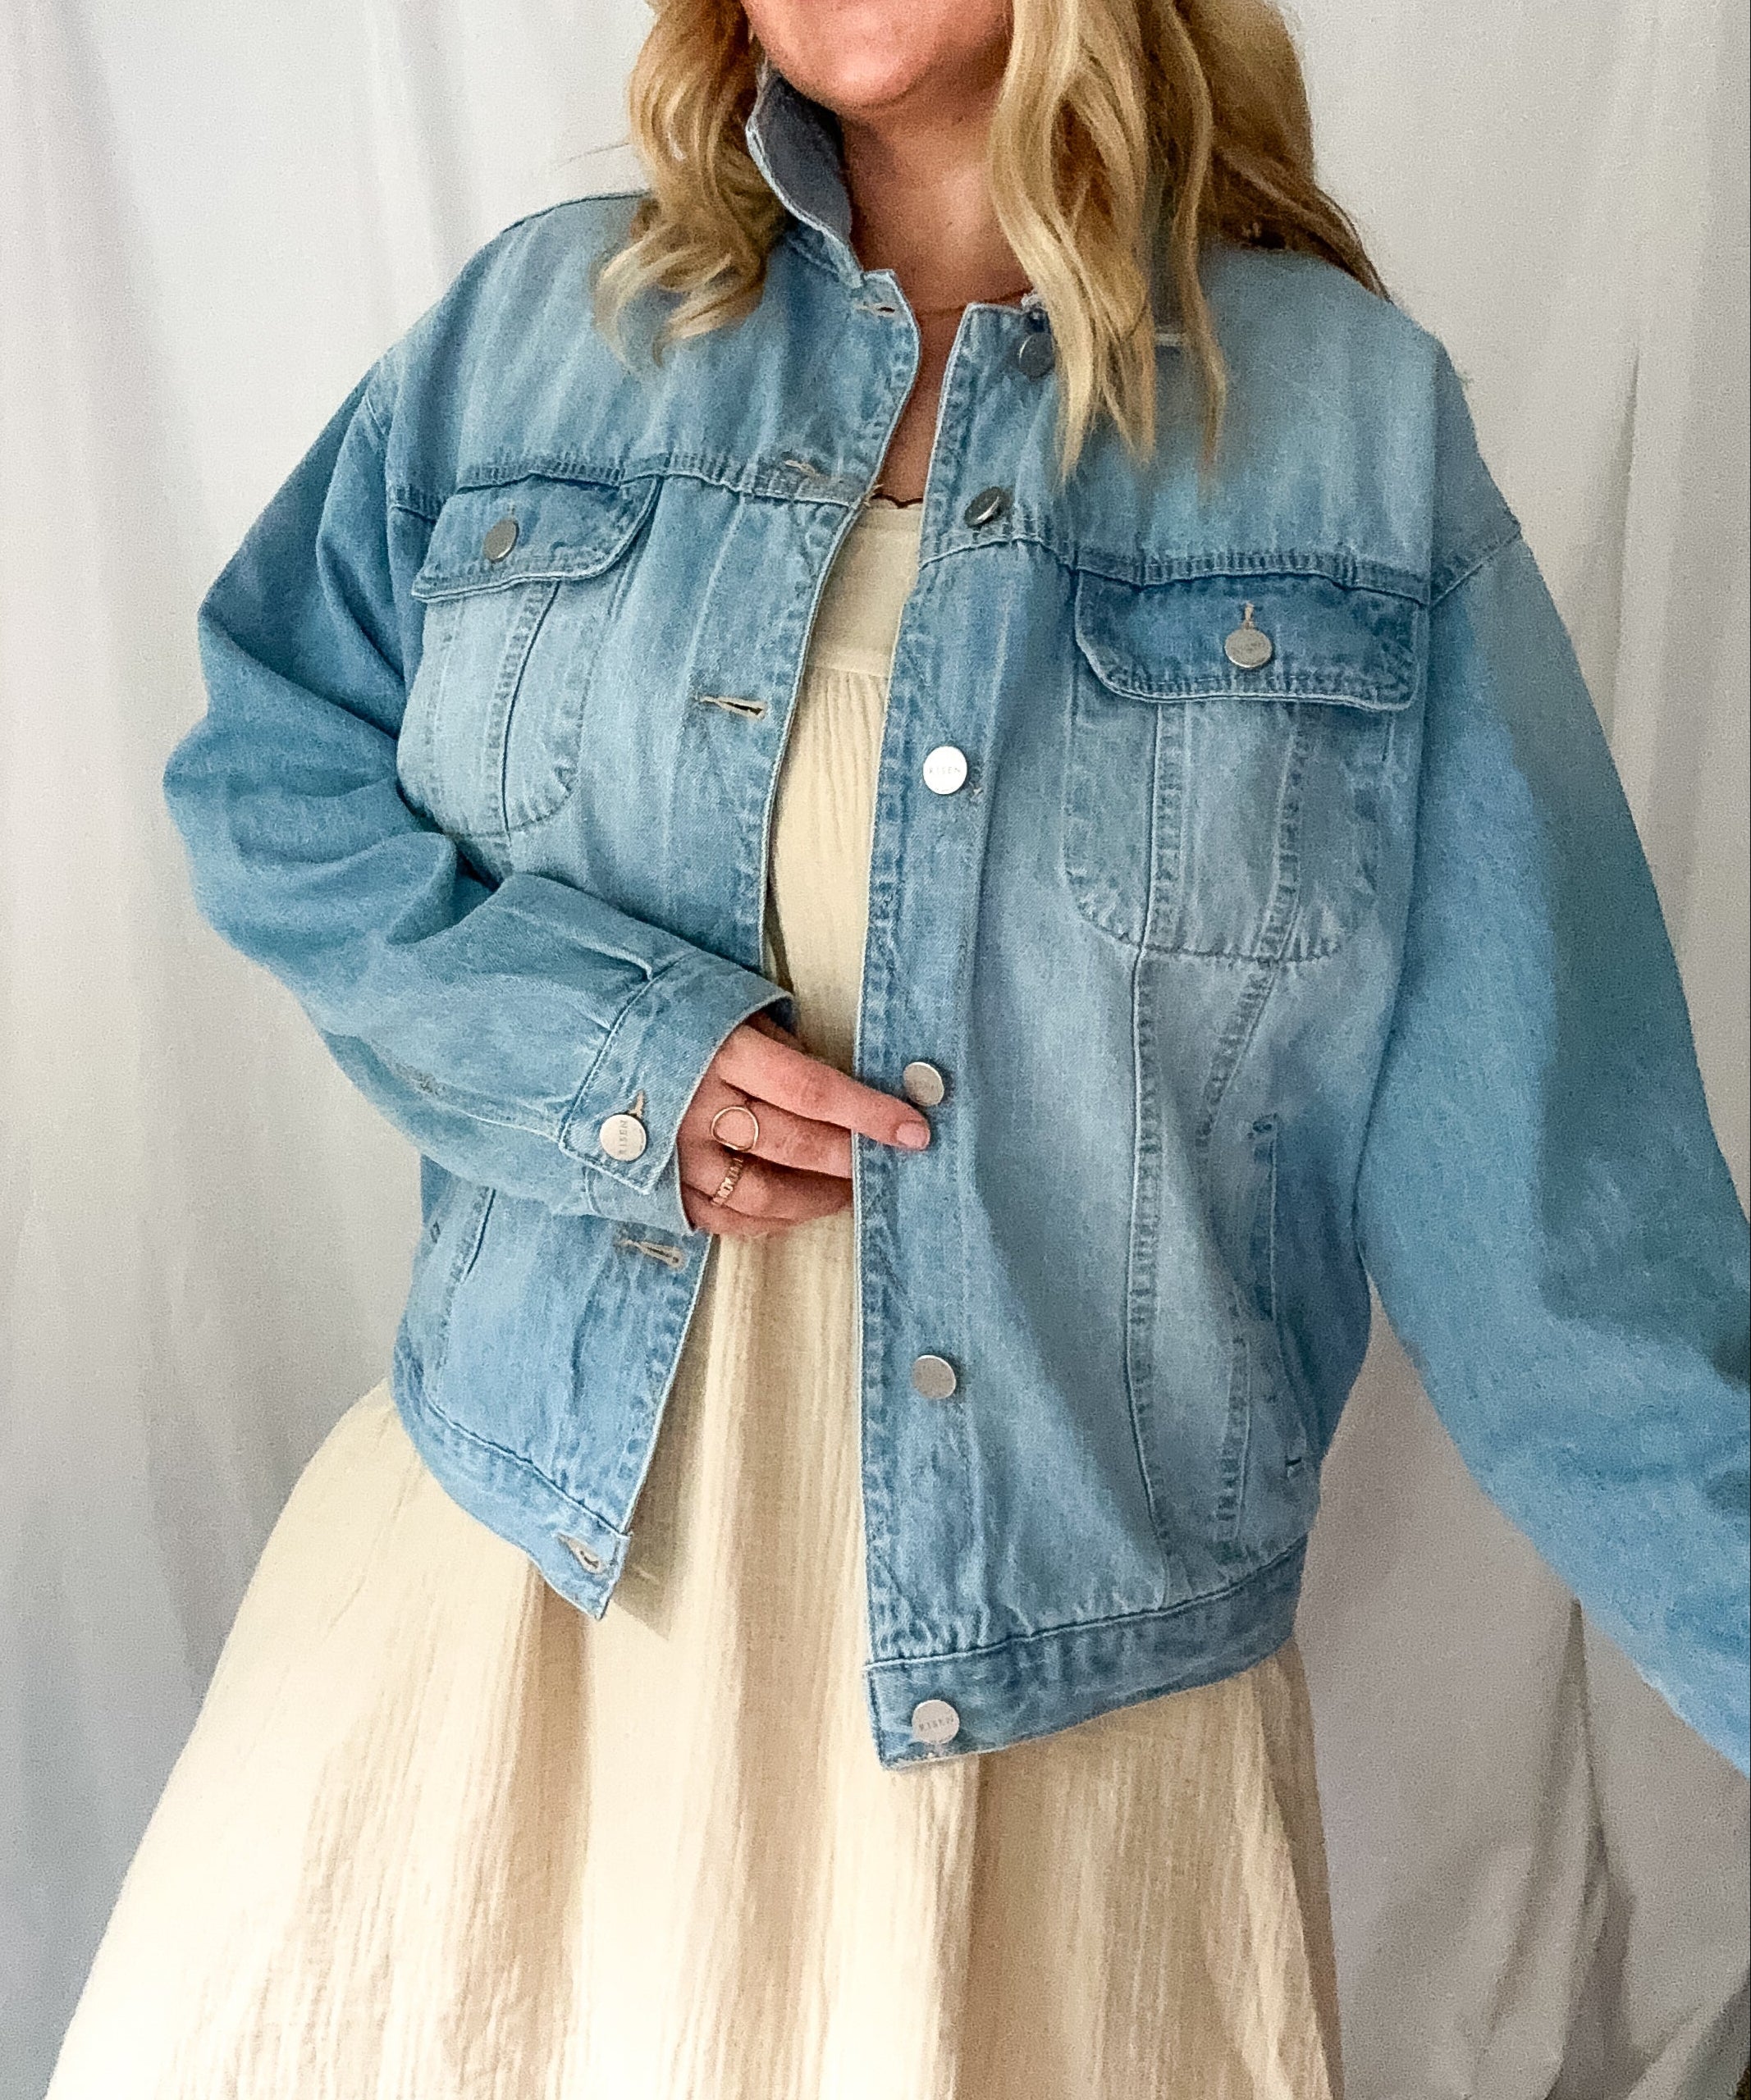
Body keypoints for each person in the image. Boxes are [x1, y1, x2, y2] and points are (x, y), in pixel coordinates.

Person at [48, 0, 1750, 2094]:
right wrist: (599, 1053)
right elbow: (271, 768)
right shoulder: (540, 336)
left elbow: (1572, 1256)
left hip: (1045, 1761)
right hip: (510, 1627)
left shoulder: (1345, 442)